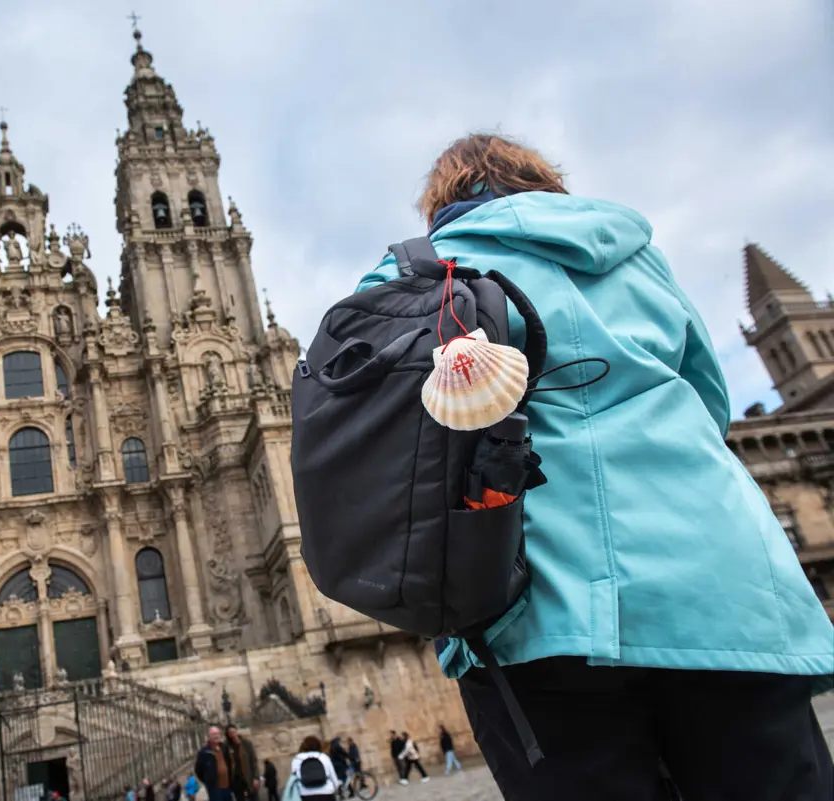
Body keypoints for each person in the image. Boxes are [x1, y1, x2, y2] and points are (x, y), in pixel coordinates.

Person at [355, 133, 834, 800]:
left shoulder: (410, 275)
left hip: (530, 611)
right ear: (542, 180)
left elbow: (374, 442)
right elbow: (709, 404)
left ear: (440, 200)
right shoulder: (635, 252)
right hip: (723, 593)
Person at [287, 735, 340, 801]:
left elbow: (295, 777)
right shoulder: (323, 757)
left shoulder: (297, 758)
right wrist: (336, 788)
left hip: (305, 793)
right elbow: (332, 776)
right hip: (326, 792)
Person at [195, 725, 234, 801]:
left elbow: (229, 763)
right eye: (213, 734)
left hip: (227, 787)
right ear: (209, 736)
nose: (216, 736)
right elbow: (198, 770)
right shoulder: (204, 752)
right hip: (215, 789)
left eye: (217, 733)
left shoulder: (224, 747)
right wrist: (208, 780)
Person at [225, 724, 260, 801]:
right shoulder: (227, 747)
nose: (233, 734)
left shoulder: (246, 744)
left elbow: (253, 761)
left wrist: (256, 777)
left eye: (234, 732)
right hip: (237, 781)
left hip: (249, 777)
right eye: (230, 733)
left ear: (237, 732)